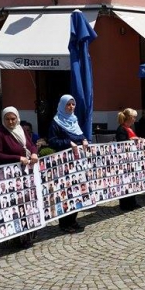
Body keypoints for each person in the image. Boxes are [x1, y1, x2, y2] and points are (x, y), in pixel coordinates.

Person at [0, 106, 39, 247]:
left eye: (13, 119)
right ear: (3, 119)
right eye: (7, 119)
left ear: (17, 118)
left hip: (25, 173)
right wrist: (17, 158)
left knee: (27, 202)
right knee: (14, 206)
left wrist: (34, 153)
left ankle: (27, 235)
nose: (11, 122)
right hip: (9, 175)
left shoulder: (21, 130)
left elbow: (31, 145)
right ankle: (16, 237)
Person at [49, 94, 87, 233]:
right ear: (62, 105)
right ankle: (64, 223)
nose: (71, 107)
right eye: (68, 104)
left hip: (77, 164)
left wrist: (84, 140)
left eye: (73, 104)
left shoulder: (74, 120)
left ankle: (73, 220)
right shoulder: (56, 122)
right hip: (64, 164)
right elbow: (52, 141)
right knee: (66, 193)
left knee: (77, 191)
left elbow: (79, 135)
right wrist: (67, 143)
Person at [115, 108, 141, 211]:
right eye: (134, 117)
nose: (135, 119)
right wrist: (131, 140)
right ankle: (125, 204)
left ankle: (132, 202)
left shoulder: (130, 128)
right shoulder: (121, 129)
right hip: (124, 161)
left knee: (132, 181)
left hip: (132, 160)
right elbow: (121, 143)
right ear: (129, 118)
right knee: (125, 182)